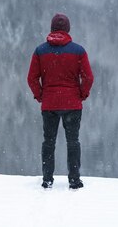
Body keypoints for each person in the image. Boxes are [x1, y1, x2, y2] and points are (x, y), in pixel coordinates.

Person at [27, 13, 94, 189]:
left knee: (49, 141)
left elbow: (32, 78)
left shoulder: (40, 51)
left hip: (49, 104)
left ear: (51, 28)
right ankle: (74, 180)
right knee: (73, 142)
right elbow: (88, 77)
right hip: (72, 104)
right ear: (68, 29)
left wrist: (41, 95)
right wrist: (82, 94)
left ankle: (47, 179)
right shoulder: (78, 51)